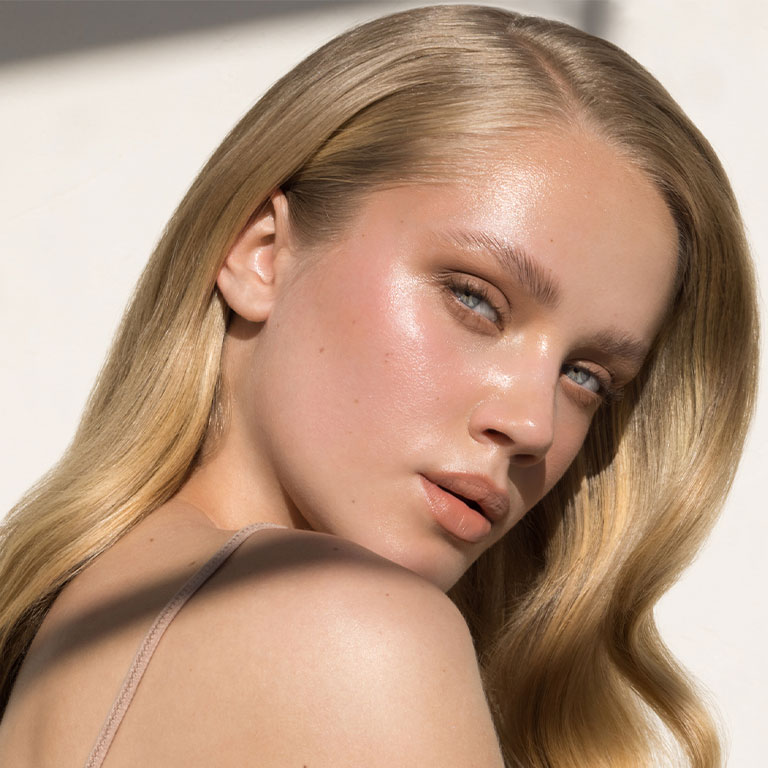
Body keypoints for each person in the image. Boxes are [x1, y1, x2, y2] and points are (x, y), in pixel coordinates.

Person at [0, 5, 758, 766]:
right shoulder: (355, 634)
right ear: (262, 254)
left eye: (587, 376)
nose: (533, 424)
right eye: (475, 299)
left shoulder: (74, 624)